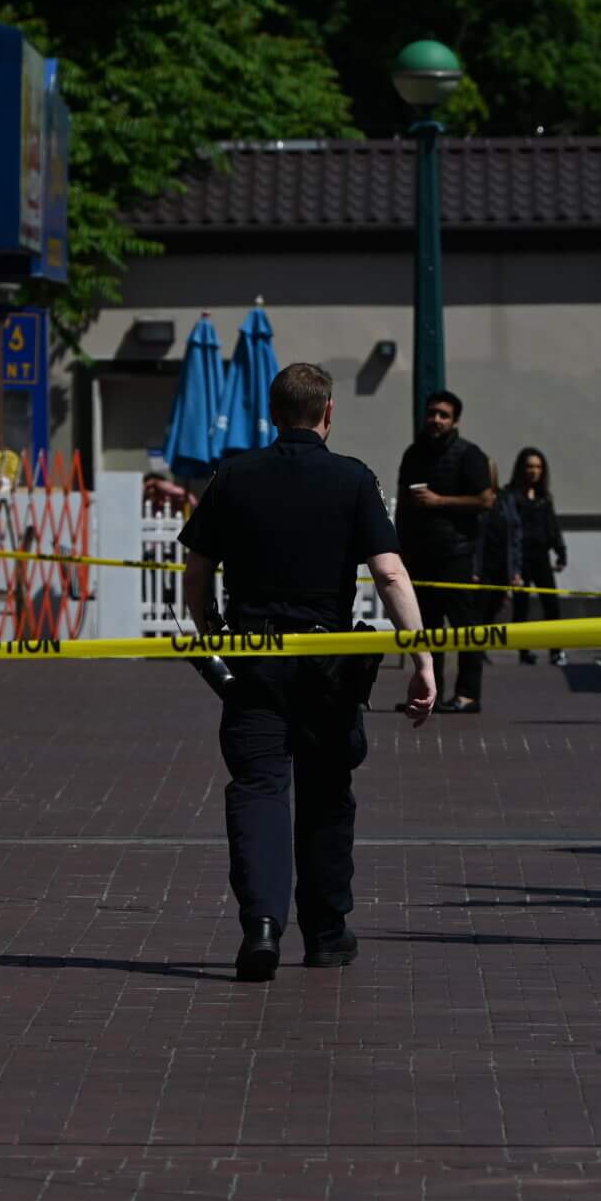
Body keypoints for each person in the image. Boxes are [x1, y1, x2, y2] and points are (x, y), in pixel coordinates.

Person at [181, 362, 437, 982]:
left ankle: (261, 925)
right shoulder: (353, 480)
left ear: (274, 414)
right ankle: (325, 933)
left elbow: (196, 572)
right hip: (327, 669)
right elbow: (390, 573)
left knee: (258, 790)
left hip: (256, 665)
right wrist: (422, 658)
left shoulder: (233, 476)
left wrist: (211, 628)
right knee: (326, 796)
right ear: (328, 413)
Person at [394, 390, 495, 715]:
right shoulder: (414, 454)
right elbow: (403, 502)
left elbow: (485, 500)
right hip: (420, 554)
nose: (435, 420)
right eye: (432, 413)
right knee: (427, 628)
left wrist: (440, 501)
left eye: (443, 415)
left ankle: (468, 695)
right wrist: (399, 548)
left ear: (455, 420)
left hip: (457, 554)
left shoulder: (469, 455)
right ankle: (430, 692)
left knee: (465, 627)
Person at [508, 447, 567, 667]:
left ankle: (556, 651)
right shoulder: (512, 496)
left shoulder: (544, 497)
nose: (534, 471)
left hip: (541, 557)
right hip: (520, 558)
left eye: (538, 467)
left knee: (551, 605)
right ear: (522, 469)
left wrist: (561, 552)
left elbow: (552, 528)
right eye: (530, 466)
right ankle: (524, 651)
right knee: (521, 607)